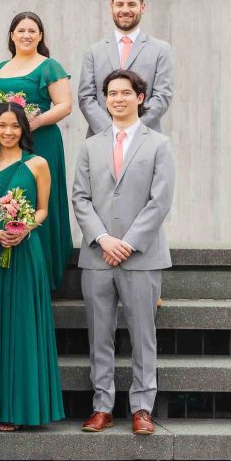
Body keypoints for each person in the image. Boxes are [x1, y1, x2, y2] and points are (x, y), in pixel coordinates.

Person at [73, 69, 175, 436]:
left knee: (143, 335)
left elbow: (160, 200)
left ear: (140, 97)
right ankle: (102, 406)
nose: (118, 99)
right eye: (112, 93)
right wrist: (103, 239)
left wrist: (128, 243)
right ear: (105, 99)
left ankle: (142, 407)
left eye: (125, 93)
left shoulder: (158, 144)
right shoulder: (90, 145)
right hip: (98, 256)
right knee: (99, 334)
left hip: (141, 256)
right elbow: (80, 198)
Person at [0, 102, 64, 431]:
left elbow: (43, 210)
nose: (8, 132)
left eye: (15, 126)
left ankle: (20, 408)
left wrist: (24, 228)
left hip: (26, 251)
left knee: (23, 326)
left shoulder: (37, 164)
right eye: (2, 125)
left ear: (23, 129)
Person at [0, 12, 73, 290]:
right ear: (11, 36)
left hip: (40, 142)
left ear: (40, 36)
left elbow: (65, 105)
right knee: (1, 201)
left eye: (32, 31)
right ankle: (3, 267)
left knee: (37, 201)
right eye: (21, 30)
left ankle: (42, 272)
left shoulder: (49, 66)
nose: (26, 35)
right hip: (2, 143)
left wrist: (32, 123)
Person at [78, 0, 173, 136]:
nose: (125, 10)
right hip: (101, 138)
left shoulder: (161, 49)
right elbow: (86, 98)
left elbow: (162, 96)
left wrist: (133, 129)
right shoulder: (93, 52)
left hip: (145, 138)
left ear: (142, 7)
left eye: (132, 4)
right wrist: (112, 131)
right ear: (111, 7)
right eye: (119, 4)